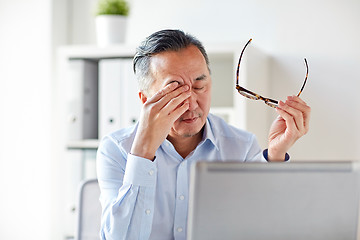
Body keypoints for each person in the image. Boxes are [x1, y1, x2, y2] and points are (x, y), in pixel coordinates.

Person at [96, 29, 311, 240]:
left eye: (200, 86)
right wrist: (142, 154)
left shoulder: (242, 147)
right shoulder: (116, 150)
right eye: (175, 91)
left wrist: (275, 154)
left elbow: (265, 226)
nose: (191, 104)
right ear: (146, 101)